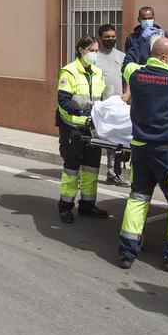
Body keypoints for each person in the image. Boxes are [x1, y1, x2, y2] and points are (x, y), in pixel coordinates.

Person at [116, 37, 168, 271]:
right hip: (166, 149)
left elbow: (127, 62)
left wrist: (140, 40)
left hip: (140, 147)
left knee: (138, 197)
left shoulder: (135, 75)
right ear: (164, 57)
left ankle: (127, 253)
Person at [55, 36, 113, 223]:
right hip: (73, 127)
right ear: (81, 50)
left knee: (91, 168)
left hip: (92, 128)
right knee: (72, 169)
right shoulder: (69, 72)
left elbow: (102, 99)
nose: (95, 54)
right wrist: (82, 109)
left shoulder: (97, 72)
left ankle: (87, 205)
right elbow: (63, 102)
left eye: (96, 51)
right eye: (92, 50)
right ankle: (65, 206)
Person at [93, 24, 129, 186]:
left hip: (117, 105)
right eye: (107, 37)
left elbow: (128, 79)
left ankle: (113, 173)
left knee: (116, 142)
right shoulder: (95, 57)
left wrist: (126, 95)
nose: (111, 39)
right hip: (99, 106)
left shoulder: (122, 57)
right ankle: (87, 172)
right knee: (94, 140)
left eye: (113, 36)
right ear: (100, 38)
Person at [122, 6, 168, 71]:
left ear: (154, 18)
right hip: (141, 73)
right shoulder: (132, 38)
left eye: (150, 18)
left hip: (159, 73)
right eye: (144, 19)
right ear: (139, 19)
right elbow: (129, 58)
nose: (147, 21)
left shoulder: (162, 35)